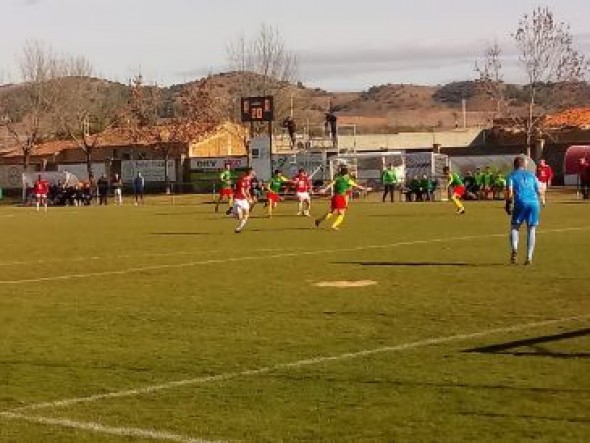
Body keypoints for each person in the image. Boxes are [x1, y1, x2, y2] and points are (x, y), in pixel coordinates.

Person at [505, 156, 541, 265]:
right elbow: (539, 190)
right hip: (534, 203)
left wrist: (508, 203)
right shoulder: (532, 175)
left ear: (514, 165)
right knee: (531, 229)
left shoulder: (511, 176)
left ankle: (515, 248)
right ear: (524, 165)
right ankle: (529, 257)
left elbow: (510, 192)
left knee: (515, 227)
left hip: (520, 202)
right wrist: (542, 200)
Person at [314, 165, 369, 231]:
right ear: (346, 174)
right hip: (340, 197)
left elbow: (331, 184)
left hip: (335, 197)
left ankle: (319, 220)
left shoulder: (337, 178)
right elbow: (358, 186)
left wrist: (324, 189)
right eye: (347, 173)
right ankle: (334, 226)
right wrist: (366, 189)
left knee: (332, 212)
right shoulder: (347, 180)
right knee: (341, 213)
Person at [232, 168, 255, 233]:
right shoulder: (242, 180)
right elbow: (242, 192)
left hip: (244, 199)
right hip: (238, 199)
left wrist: (250, 197)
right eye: (253, 173)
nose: (254, 174)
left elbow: (247, 190)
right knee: (239, 217)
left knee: (247, 214)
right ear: (250, 173)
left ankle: (238, 228)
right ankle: (232, 211)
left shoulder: (249, 180)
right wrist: (248, 199)